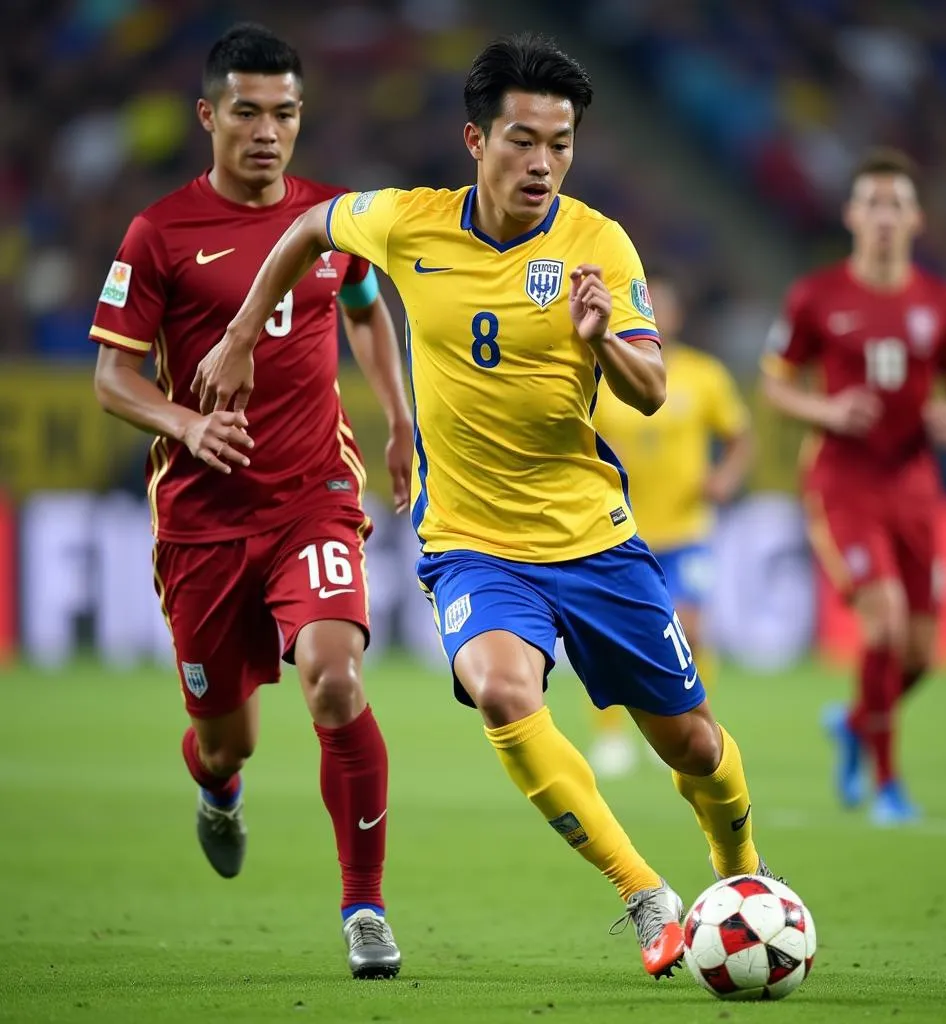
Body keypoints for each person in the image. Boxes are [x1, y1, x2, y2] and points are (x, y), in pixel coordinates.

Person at [193, 33, 779, 979]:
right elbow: (306, 230)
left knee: (696, 745)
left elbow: (653, 389)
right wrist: (242, 333)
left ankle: (743, 875)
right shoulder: (407, 223)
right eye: (522, 140)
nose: (542, 162)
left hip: (595, 542)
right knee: (504, 691)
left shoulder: (600, 243)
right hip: (470, 541)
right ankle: (644, 894)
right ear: (475, 140)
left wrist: (601, 342)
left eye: (560, 143)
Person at [90, 23, 408, 977]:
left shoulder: (329, 218)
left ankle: (363, 908)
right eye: (247, 113)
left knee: (336, 678)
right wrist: (184, 425)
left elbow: (363, 308)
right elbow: (112, 378)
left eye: (285, 114)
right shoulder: (159, 233)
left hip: (312, 494)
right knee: (226, 740)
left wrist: (397, 416)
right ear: (208, 117)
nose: (268, 133)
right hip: (200, 521)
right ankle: (215, 787)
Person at [761, 148, 946, 826]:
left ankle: (854, 723)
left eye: (897, 205)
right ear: (853, 215)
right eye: (872, 203)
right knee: (881, 620)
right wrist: (826, 411)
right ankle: (888, 785)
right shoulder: (816, 296)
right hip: (843, 482)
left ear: (916, 219)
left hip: (913, 484)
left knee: (919, 655)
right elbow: (775, 382)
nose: (884, 216)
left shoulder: (940, 303)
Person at [588, 274, 753, 778]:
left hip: (687, 531)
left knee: (691, 629)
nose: (655, 313)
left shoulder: (705, 376)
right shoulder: (605, 374)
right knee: (611, 639)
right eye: (645, 304)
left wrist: (724, 477)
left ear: (677, 316)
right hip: (621, 531)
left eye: (663, 305)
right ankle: (611, 737)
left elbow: (741, 437)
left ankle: (689, 724)